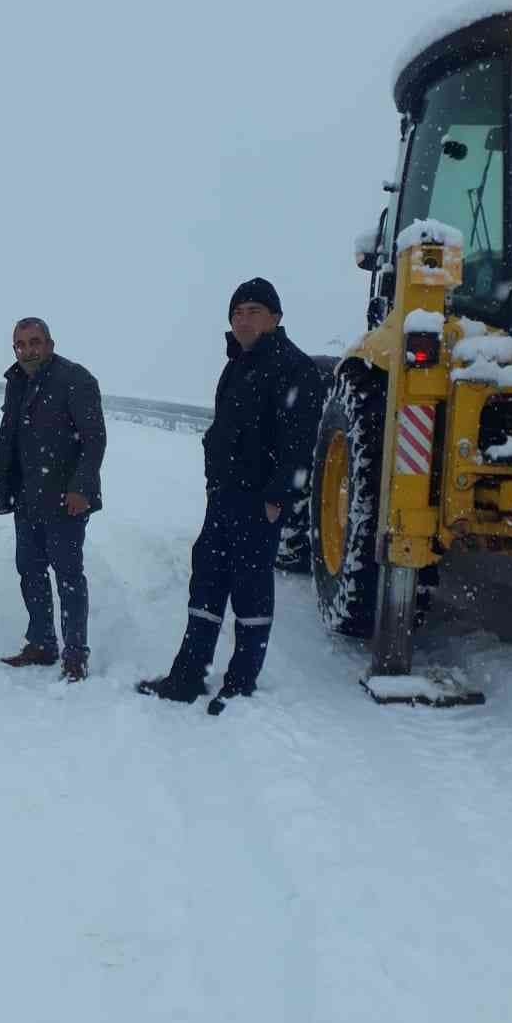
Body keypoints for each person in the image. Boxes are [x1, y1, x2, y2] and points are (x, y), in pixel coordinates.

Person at [137, 278, 323, 714]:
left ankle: (241, 683)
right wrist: (212, 474)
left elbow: (300, 444)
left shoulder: (294, 368)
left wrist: (277, 497)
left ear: (275, 318)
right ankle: (187, 676)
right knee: (207, 581)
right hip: (224, 497)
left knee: (251, 590)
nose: (243, 318)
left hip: (260, 502)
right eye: (237, 312)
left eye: (253, 310)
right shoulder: (238, 363)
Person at [0, 317, 106, 682]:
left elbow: (94, 439)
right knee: (29, 572)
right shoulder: (16, 383)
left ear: (50, 343)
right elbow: (7, 439)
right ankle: (43, 643)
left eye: (35, 342)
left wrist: (80, 488)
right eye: (20, 344)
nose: (27, 350)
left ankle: (76, 655)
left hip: (65, 500)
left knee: (68, 577)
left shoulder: (75, 379)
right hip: (27, 498)